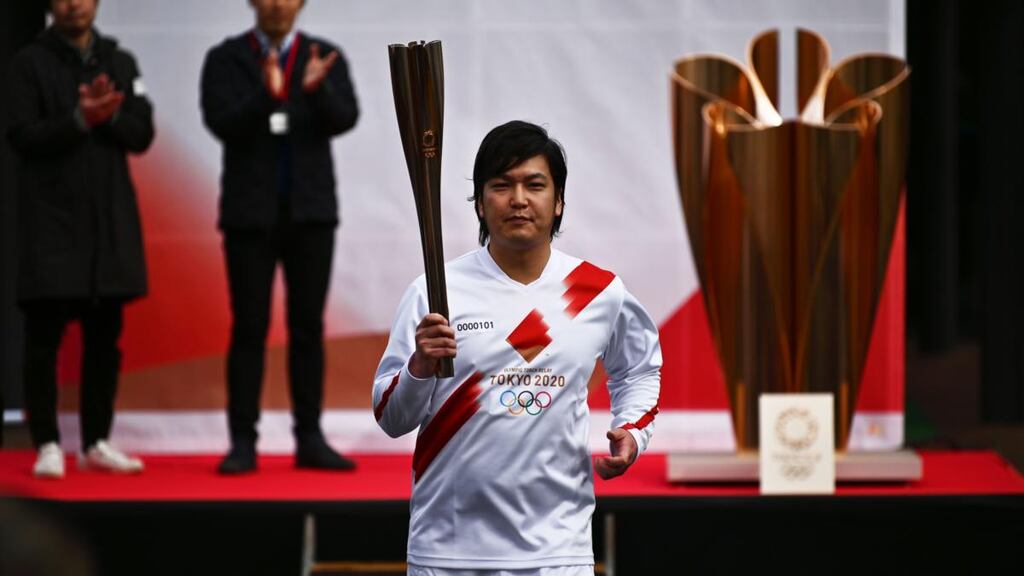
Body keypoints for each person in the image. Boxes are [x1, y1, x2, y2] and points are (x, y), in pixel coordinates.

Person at [373, 121, 662, 574]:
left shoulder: (596, 291)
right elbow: (392, 419)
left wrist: (633, 429)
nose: (519, 199)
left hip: (557, 551)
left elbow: (639, 370)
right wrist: (419, 366)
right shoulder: (436, 291)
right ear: (482, 205)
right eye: (501, 185)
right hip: (448, 550)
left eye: (535, 185)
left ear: (559, 200)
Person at [200, 0, 359, 474]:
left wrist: (314, 90)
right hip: (250, 216)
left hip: (311, 214)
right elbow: (219, 121)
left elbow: (344, 117)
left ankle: (309, 437)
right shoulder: (226, 57)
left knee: (307, 329)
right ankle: (242, 441)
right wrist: (267, 97)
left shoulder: (323, 55)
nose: (275, 5)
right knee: (248, 328)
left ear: (301, 3)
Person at [7, 0, 153, 479]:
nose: (75, 5)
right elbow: (22, 135)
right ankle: (48, 442)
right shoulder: (29, 62)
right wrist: (77, 119)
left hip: (107, 225)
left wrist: (106, 116)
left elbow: (140, 132)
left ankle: (96, 441)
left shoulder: (119, 60)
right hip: (51, 224)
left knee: (104, 342)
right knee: (43, 341)